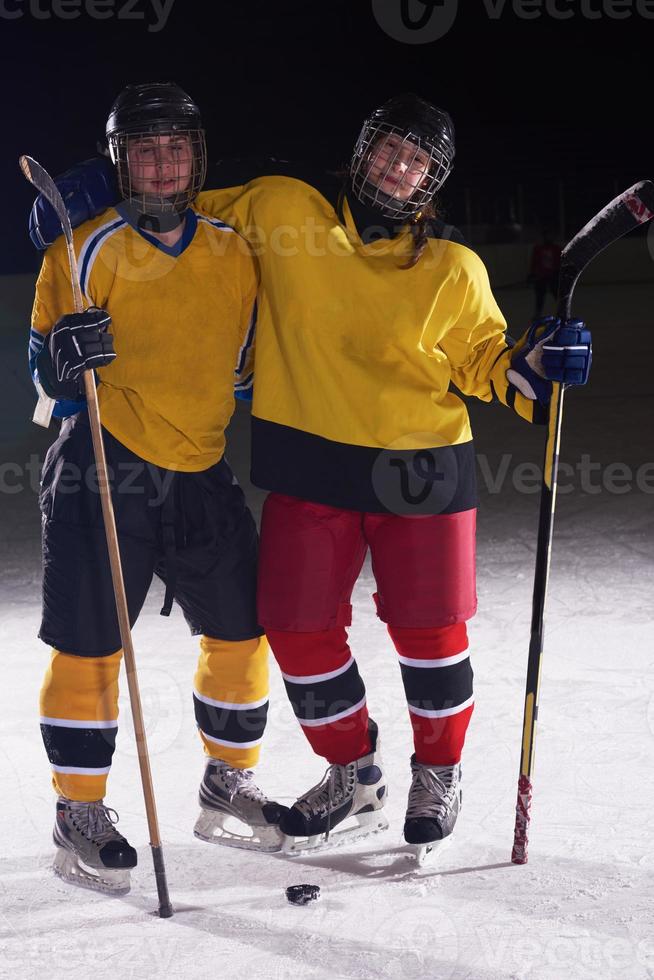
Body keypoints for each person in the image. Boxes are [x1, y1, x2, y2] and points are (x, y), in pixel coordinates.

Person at [30, 93, 592, 863]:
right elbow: (174, 200)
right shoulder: (278, 209)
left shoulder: (453, 267)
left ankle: (438, 770)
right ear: (360, 149)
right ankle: (352, 772)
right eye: (390, 149)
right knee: (293, 628)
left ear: (435, 181)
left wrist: (538, 370)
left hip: (419, 471)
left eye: (418, 162)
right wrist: (92, 188)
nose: (399, 168)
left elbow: (490, 364)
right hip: (310, 465)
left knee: (426, 635)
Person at [28, 82, 286, 895]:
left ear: (197, 156)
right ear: (122, 161)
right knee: (91, 646)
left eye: (177, 147)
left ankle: (227, 784)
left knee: (244, 633)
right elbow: (45, 383)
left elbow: (245, 373)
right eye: (146, 148)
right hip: (103, 465)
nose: (164, 162)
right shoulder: (81, 249)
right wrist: (62, 363)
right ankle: (80, 810)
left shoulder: (234, 251)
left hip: (202, 471)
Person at [528, 228, 562, 317]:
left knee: (557, 296)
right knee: (540, 296)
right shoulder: (538, 249)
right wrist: (532, 273)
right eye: (547, 236)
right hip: (541, 277)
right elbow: (534, 262)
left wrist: (558, 273)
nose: (549, 238)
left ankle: (561, 312)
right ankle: (538, 313)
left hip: (553, 276)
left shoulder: (556, 249)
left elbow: (559, 262)